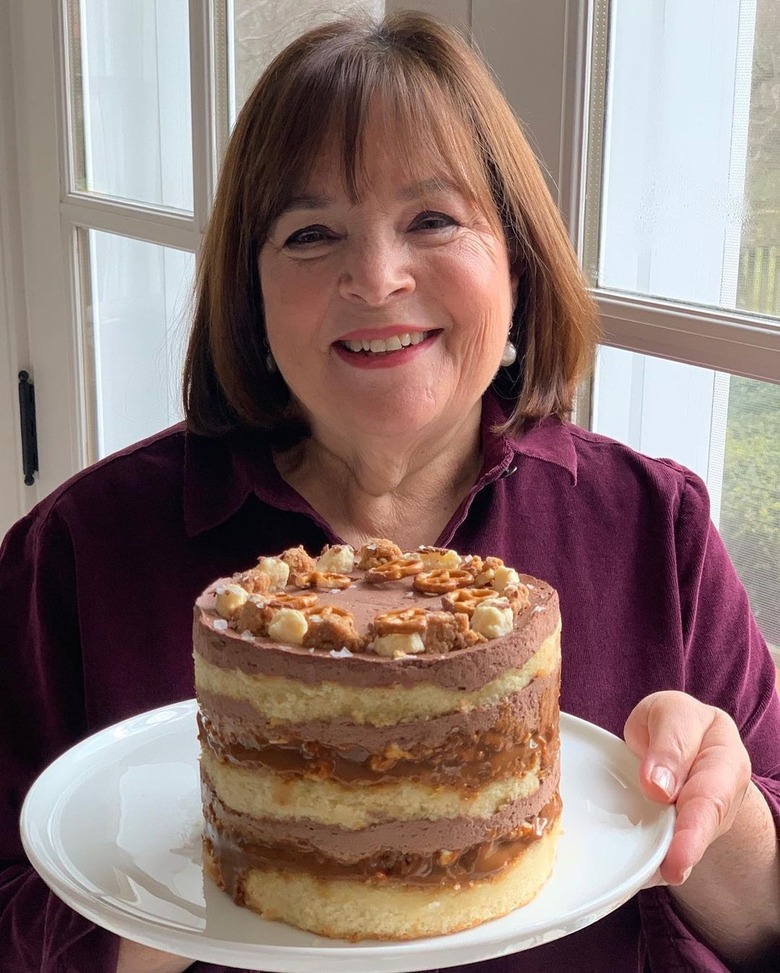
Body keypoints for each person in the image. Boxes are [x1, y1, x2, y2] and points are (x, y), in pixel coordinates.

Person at [1, 11, 778, 973]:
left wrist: (722, 812)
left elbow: (766, 928)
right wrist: (152, 913)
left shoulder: (658, 531)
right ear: (249, 289)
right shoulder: (77, 553)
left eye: (433, 219)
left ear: (517, 258)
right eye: (311, 232)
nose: (375, 278)